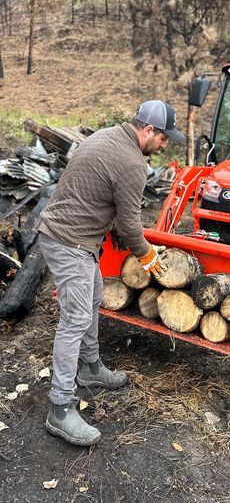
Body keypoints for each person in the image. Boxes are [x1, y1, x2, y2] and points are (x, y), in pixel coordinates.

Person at [38, 100, 184, 446]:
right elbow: (131, 226)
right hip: (68, 241)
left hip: (74, 238)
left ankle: (91, 369)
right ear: (148, 130)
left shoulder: (106, 136)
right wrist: (147, 255)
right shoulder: (132, 163)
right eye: (163, 139)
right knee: (74, 320)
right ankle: (59, 409)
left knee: (93, 299)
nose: (164, 147)